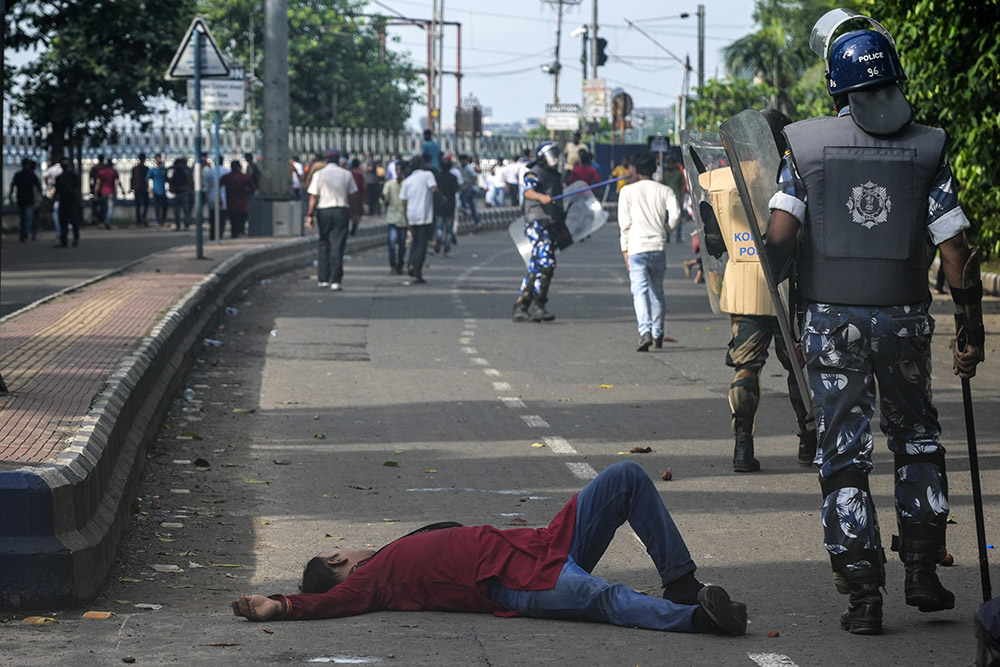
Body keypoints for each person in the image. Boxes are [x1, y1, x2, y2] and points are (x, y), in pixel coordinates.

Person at [764, 9, 984, 635]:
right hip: (907, 320)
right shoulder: (929, 147)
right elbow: (954, 251)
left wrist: (758, 250)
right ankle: (922, 570)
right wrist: (972, 328)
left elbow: (780, 234)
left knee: (844, 452)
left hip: (832, 324)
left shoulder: (802, 147)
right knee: (916, 437)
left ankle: (863, 596)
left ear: (836, 85)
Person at [231, 461, 748, 637]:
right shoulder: (371, 580)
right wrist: (280, 605)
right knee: (602, 597)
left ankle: (682, 584)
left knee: (625, 478)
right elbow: (330, 603)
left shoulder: (396, 551)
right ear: (335, 561)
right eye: (338, 547)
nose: (346, 545)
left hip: (545, 544)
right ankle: (698, 621)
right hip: (519, 583)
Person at [697, 109, 817, 473]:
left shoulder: (718, 180)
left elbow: (713, 241)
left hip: (744, 286)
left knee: (745, 368)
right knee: (798, 367)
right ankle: (809, 442)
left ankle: (742, 445)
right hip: (787, 285)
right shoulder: (792, 178)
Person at [617, 151, 680, 352]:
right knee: (657, 291)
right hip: (657, 246)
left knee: (639, 292)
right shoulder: (665, 190)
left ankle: (644, 331)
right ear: (654, 170)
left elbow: (624, 225)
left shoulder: (627, 192)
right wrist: (667, 229)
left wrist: (624, 251)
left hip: (636, 247)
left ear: (635, 170)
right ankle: (658, 332)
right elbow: (676, 215)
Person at [512, 142, 563, 323]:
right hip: (537, 223)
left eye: (557, 154)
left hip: (550, 224)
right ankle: (538, 305)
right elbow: (528, 192)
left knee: (537, 266)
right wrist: (541, 197)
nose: (556, 159)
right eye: (552, 154)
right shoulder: (534, 173)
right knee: (546, 263)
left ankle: (522, 305)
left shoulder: (555, 176)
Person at [306, 149, 357, 291]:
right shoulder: (346, 175)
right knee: (338, 245)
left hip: (324, 211)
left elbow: (313, 197)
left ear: (326, 160)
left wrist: (310, 215)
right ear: (339, 159)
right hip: (341, 210)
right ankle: (335, 280)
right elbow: (352, 196)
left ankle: (323, 279)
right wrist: (354, 214)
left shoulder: (319, 175)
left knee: (324, 243)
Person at [399, 155, 440, 284]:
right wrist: (442, 198)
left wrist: (406, 220)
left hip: (411, 216)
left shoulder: (407, 181)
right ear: (422, 165)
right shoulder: (428, 175)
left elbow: (403, 202)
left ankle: (411, 263)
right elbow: (433, 188)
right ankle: (417, 272)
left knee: (414, 242)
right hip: (424, 216)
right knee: (422, 244)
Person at [382, 161, 408, 275]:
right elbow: (384, 200)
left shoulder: (407, 184)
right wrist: (383, 198)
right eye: (397, 170)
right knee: (392, 243)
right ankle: (393, 264)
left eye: (400, 170)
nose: (398, 172)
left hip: (404, 218)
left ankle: (400, 265)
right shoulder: (389, 184)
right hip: (392, 217)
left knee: (402, 244)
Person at [9, 157, 43, 243]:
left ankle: (22, 235)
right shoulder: (31, 175)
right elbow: (38, 187)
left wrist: (11, 196)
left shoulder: (18, 174)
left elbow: (12, 185)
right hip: (29, 199)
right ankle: (25, 236)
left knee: (23, 218)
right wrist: (41, 196)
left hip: (21, 199)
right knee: (28, 218)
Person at [219, 160, 254, 238]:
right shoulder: (244, 177)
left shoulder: (227, 177)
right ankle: (240, 233)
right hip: (242, 203)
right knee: (241, 221)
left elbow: (218, 186)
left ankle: (234, 234)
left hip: (230, 203)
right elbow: (252, 188)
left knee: (233, 221)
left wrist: (220, 197)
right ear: (239, 167)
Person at [434, 154, 459, 256]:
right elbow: (456, 189)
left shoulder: (436, 177)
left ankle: (438, 237)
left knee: (439, 226)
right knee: (449, 229)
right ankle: (447, 249)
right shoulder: (453, 177)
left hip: (439, 205)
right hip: (450, 205)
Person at [54, 159, 82, 248]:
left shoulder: (60, 178)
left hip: (65, 202)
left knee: (64, 222)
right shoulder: (73, 176)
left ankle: (65, 241)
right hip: (71, 201)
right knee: (73, 222)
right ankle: (74, 238)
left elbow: (57, 191)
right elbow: (77, 189)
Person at [659, 155, 686, 244]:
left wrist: (682, 197)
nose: (670, 165)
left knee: (678, 218)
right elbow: (662, 185)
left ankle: (678, 236)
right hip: (666, 199)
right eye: (668, 163)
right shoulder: (665, 174)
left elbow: (682, 185)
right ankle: (667, 236)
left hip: (677, 197)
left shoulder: (679, 174)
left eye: (671, 163)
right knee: (666, 218)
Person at [203, 157, 230, 240]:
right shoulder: (227, 171)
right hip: (224, 196)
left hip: (212, 196)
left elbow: (204, 184)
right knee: (222, 218)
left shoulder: (210, 172)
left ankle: (213, 235)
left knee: (213, 218)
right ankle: (220, 235)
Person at [94, 158, 122, 229]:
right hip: (111, 192)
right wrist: (122, 189)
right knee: (110, 208)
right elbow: (118, 182)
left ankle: (103, 221)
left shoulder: (101, 172)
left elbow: (98, 183)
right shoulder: (114, 172)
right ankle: (107, 220)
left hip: (103, 192)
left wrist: (95, 193)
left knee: (104, 208)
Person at [456, 154, 481, 227]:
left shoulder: (469, 168)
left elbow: (474, 178)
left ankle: (464, 208)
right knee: (469, 202)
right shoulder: (459, 167)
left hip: (471, 188)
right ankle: (464, 208)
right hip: (464, 187)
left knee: (467, 199)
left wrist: (467, 186)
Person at [169, 157, 193, 230]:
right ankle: (181, 225)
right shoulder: (176, 170)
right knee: (180, 211)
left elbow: (189, 181)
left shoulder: (184, 170)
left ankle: (184, 225)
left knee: (183, 210)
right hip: (179, 192)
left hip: (183, 192)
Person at [42, 157, 64, 239]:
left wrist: (48, 187)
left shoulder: (52, 169)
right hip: (63, 194)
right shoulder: (64, 170)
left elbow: (44, 176)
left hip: (54, 192)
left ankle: (59, 232)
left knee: (56, 213)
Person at [146, 154, 169, 227]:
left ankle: (163, 220)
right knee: (157, 206)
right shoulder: (152, 170)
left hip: (163, 190)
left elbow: (166, 179)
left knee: (164, 206)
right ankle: (159, 221)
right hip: (156, 191)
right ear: (156, 160)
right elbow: (147, 179)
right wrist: (150, 188)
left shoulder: (164, 169)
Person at [130, 153, 150, 227]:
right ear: (144, 159)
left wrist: (131, 187)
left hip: (137, 188)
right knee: (146, 204)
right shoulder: (146, 168)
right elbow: (147, 179)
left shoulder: (134, 168)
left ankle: (138, 220)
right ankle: (143, 217)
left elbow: (132, 178)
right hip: (143, 188)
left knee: (138, 205)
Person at [348, 158, 366, 235]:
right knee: (357, 214)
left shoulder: (349, 173)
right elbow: (363, 187)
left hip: (349, 195)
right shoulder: (360, 174)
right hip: (358, 196)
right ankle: (354, 227)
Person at [89, 154, 106, 225]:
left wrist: (91, 187)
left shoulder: (94, 167)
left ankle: (94, 217)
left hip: (95, 187)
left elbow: (90, 178)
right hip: (103, 188)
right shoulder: (104, 167)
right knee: (103, 205)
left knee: (95, 203)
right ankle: (101, 219)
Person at [363, 151, 381, 216]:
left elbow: (371, 168)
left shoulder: (371, 160)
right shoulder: (369, 160)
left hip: (371, 181)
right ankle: (373, 211)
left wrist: (365, 168)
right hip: (370, 181)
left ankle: (373, 211)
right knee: (371, 197)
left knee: (372, 197)